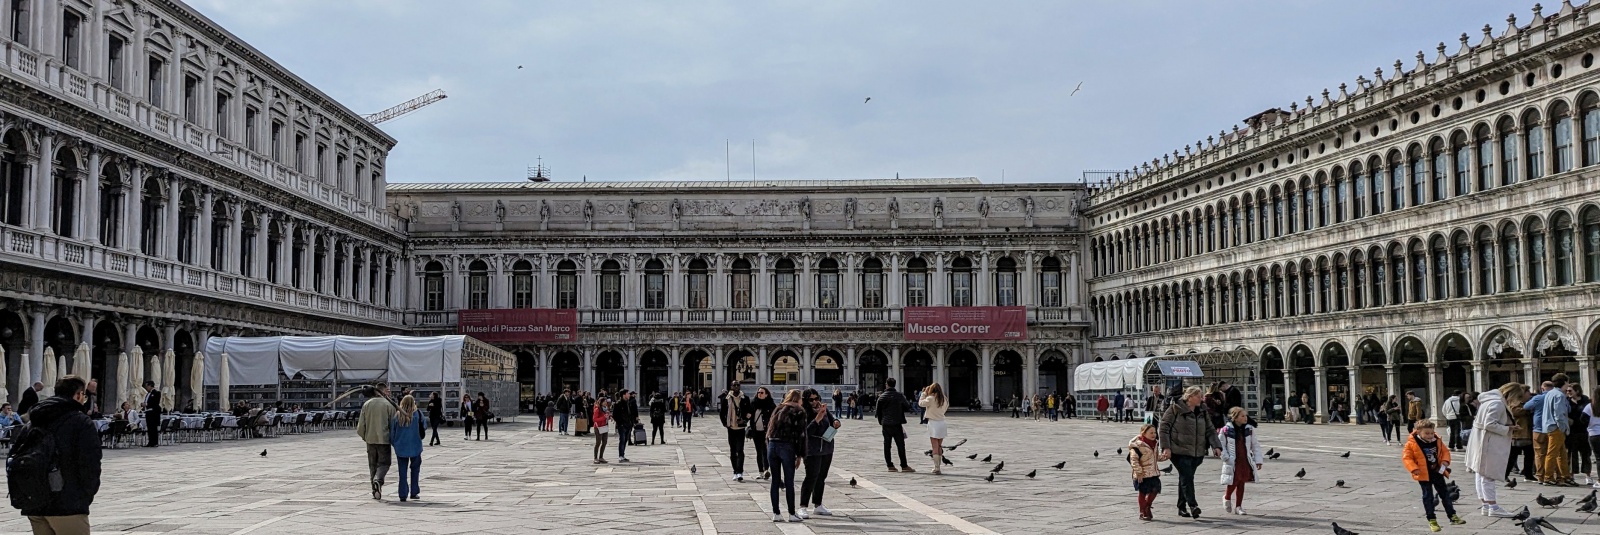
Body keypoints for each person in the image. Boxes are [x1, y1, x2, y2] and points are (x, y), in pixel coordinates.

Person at [18, 376, 101, 535]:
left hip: (35, 502)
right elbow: (90, 464)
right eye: (84, 395)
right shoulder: (81, 422)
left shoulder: (33, 420)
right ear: (78, 395)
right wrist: (84, 496)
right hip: (67, 503)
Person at [1464, 382, 1527, 518]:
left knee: (1481, 473)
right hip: (1488, 443)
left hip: (1482, 440)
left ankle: (1486, 505)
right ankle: (1493, 506)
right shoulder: (1497, 403)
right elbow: (1490, 424)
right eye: (1518, 398)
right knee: (1488, 474)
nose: (1517, 402)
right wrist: (1508, 428)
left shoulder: (1489, 400)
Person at [1159, 385, 1221, 520]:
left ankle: (1181, 507)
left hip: (1197, 452)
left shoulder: (1203, 411)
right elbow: (1164, 428)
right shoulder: (1175, 408)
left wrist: (1216, 446)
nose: (1201, 398)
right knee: (1187, 476)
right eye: (1198, 396)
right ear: (1190, 397)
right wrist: (1166, 447)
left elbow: (1210, 429)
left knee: (1186, 478)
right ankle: (1193, 505)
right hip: (1178, 450)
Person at [1403, 419, 1466, 531]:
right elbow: (1407, 458)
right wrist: (1414, 468)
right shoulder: (1411, 443)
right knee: (1428, 496)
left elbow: (1445, 452)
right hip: (1423, 474)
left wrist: (1445, 461)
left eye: (1431, 433)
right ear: (1418, 432)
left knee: (1445, 494)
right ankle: (1432, 520)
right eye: (1426, 433)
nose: (1430, 435)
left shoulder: (1437, 440)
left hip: (1437, 472)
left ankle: (1452, 516)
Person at [766, 389, 808, 523]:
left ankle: (776, 514)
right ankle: (791, 513)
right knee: (789, 481)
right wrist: (800, 454)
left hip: (772, 445)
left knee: (775, 481)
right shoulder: (799, 410)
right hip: (786, 446)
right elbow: (800, 434)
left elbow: (769, 429)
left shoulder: (778, 408)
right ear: (799, 399)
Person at [799, 388, 840, 519]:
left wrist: (836, 422)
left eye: (816, 398)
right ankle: (802, 506)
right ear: (806, 400)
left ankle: (818, 504)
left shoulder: (824, 409)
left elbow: (832, 420)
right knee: (811, 477)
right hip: (812, 449)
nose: (815, 402)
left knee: (822, 477)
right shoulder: (803, 412)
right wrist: (817, 418)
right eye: (811, 399)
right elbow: (806, 431)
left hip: (827, 447)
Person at [355, 383, 396, 501]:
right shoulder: (389, 405)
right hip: (384, 439)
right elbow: (393, 424)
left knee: (372, 465)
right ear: (382, 392)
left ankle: (375, 489)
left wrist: (365, 436)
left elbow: (361, 426)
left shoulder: (366, 405)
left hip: (370, 439)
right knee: (384, 463)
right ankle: (378, 481)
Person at [1218, 407, 1262, 515]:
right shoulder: (1226, 430)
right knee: (1234, 481)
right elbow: (1220, 445)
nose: (1245, 418)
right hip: (1233, 460)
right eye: (1242, 416)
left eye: (1246, 415)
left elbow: (1255, 445)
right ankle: (1227, 497)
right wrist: (1226, 457)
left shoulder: (1249, 430)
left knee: (1242, 482)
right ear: (1235, 417)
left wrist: (1258, 460)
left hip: (1244, 459)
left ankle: (1238, 506)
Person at [1536, 374, 1573, 486]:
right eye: (1567, 383)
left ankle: (1564, 476)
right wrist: (1562, 427)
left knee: (1562, 453)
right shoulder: (1559, 395)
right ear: (1564, 382)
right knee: (1552, 453)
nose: (1568, 385)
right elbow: (1559, 413)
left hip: (1548, 426)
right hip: (1556, 427)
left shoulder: (1550, 393)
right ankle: (1548, 477)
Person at [389, 395, 425, 502]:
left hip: (401, 447)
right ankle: (414, 492)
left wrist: (394, 443)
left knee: (402, 472)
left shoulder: (397, 416)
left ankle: (403, 494)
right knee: (415, 470)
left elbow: (392, 433)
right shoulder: (418, 414)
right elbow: (425, 426)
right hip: (416, 446)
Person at [1128, 423, 1166, 521]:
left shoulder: (1155, 444)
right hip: (1142, 474)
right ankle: (1143, 511)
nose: (1154, 435)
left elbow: (1156, 457)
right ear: (1143, 433)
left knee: (1155, 490)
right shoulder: (1137, 445)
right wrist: (1139, 473)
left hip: (1153, 472)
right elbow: (1134, 460)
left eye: (1155, 432)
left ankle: (1147, 506)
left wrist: (1164, 457)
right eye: (1151, 433)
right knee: (1143, 493)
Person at [875, 377, 914, 472]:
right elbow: (908, 407)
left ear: (886, 385)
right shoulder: (899, 396)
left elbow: (878, 412)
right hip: (897, 423)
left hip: (886, 424)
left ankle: (890, 466)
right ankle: (904, 465)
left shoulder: (882, 396)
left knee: (887, 445)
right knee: (900, 445)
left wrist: (881, 421)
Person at [719, 383, 749, 480]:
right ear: (731, 387)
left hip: (741, 428)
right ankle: (735, 471)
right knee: (733, 450)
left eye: (738, 385)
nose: (736, 387)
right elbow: (722, 412)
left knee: (740, 450)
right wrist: (725, 423)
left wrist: (745, 420)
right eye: (734, 385)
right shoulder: (726, 399)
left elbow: (749, 411)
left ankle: (740, 472)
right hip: (731, 428)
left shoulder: (745, 398)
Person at [919, 382, 950, 474]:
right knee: (939, 446)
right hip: (942, 423)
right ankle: (938, 466)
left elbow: (921, 403)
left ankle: (937, 468)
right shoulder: (944, 399)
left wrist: (924, 393)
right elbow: (945, 409)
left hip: (933, 423)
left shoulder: (931, 398)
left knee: (934, 446)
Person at [1564, 385, 1591, 486]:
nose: (1568, 392)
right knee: (1571, 454)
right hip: (1571, 432)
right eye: (1567, 391)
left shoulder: (1586, 401)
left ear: (1577, 390)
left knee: (1586, 454)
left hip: (1584, 431)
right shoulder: (1567, 401)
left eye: (1570, 391)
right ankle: (1572, 475)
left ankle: (1588, 476)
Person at [747, 387, 776, 480]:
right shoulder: (753, 403)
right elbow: (748, 415)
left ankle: (766, 469)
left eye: (762, 392)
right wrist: (747, 415)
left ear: (766, 394)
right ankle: (760, 471)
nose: (759, 394)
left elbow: (775, 417)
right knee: (758, 452)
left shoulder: (771, 405)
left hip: (766, 432)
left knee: (766, 451)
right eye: (758, 392)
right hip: (756, 431)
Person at [613, 390, 637, 463]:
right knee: (622, 440)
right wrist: (620, 422)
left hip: (628, 424)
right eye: (627, 394)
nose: (629, 395)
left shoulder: (628, 403)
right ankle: (621, 456)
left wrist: (633, 421)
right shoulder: (618, 404)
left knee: (625, 440)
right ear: (623, 395)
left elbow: (631, 413)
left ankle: (623, 455)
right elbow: (615, 415)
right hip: (622, 425)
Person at [1584, 387, 1600, 489]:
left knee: (1599, 458)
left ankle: (1599, 480)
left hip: (1594, 434)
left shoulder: (1590, 406)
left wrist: (1590, 425)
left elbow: (1583, 419)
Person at [140, 380, 162, 448]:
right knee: (149, 428)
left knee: (154, 428)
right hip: (148, 412)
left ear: (150, 386)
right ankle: (150, 442)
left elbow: (155, 403)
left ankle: (155, 442)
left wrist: (146, 404)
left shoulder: (156, 393)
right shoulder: (147, 394)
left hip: (153, 412)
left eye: (147, 386)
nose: (146, 388)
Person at [592, 397, 612, 463]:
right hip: (598, 427)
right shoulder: (597, 409)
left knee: (604, 442)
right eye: (604, 402)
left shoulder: (605, 409)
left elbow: (606, 417)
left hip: (604, 427)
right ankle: (595, 457)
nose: (605, 403)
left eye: (606, 402)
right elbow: (595, 419)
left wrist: (609, 417)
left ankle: (601, 457)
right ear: (601, 402)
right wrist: (603, 417)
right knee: (598, 442)